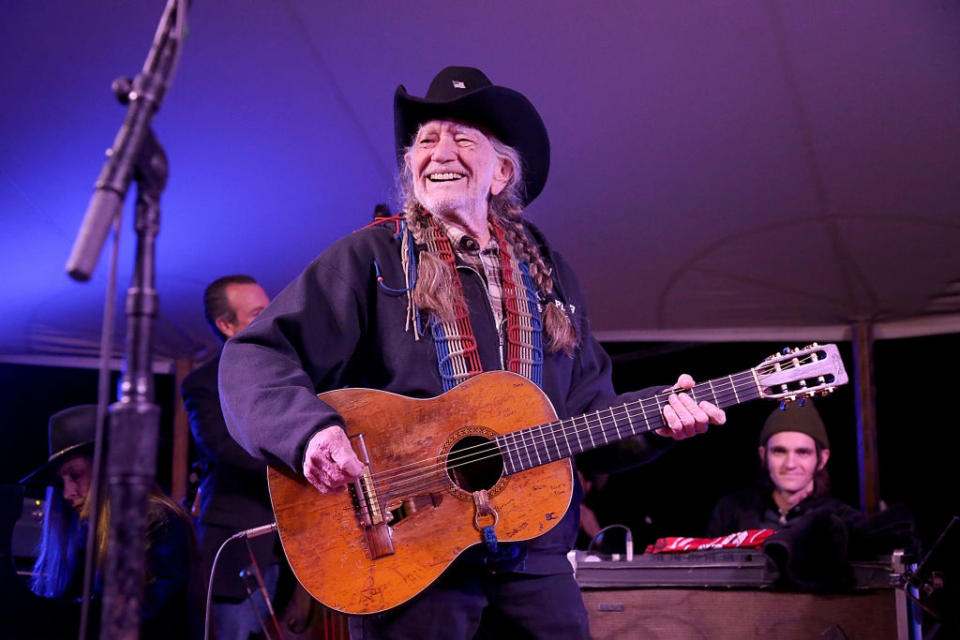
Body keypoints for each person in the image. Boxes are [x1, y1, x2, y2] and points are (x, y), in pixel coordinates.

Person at [219, 66, 726, 639]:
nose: (440, 151)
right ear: (411, 166)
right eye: (426, 140)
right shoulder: (374, 259)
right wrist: (308, 432)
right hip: (411, 556)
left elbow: (587, 415)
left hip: (534, 556)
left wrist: (661, 419)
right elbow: (254, 356)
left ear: (502, 171)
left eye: (462, 138)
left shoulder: (550, 278)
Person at [20, 405, 201, 639]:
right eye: (62, 481)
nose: (67, 493)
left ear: (108, 469)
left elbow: (147, 617)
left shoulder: (159, 523)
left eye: (75, 476)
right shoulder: (86, 534)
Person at [181, 274, 282, 640]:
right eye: (258, 313)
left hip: (290, 547)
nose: (272, 318)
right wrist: (301, 464)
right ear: (227, 325)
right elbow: (223, 449)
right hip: (237, 542)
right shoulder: (203, 383)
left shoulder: (290, 371)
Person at [706, 401, 860, 537]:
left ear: (822, 459)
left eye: (803, 452)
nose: (790, 464)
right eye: (779, 451)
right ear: (763, 455)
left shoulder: (842, 520)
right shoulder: (731, 512)